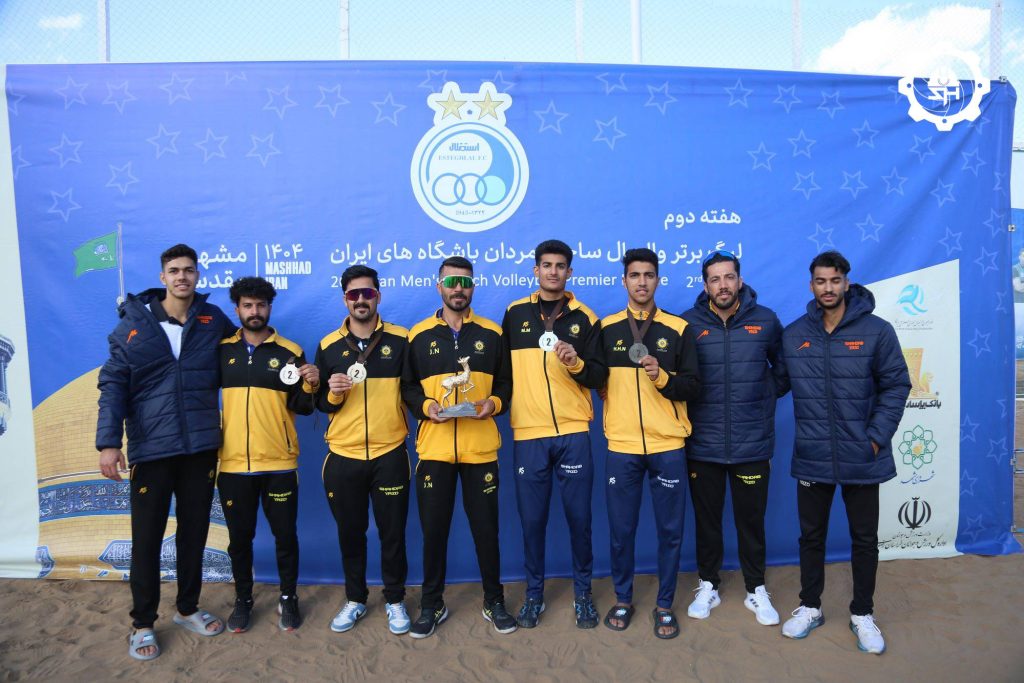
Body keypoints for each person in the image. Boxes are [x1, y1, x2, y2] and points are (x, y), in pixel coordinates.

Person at [96, 243, 233, 661]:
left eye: (189, 270)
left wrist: (292, 368)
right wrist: (108, 443)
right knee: (147, 540)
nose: (182, 277)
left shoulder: (212, 320)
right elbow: (113, 385)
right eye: (174, 270)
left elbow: (246, 354)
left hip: (199, 448)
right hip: (152, 451)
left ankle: (187, 609)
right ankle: (142, 623)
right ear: (162, 277)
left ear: (197, 275)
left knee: (194, 533)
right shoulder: (133, 326)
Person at [778, 250, 910, 655]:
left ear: (846, 283)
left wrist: (875, 437)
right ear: (811, 285)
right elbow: (773, 383)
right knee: (811, 537)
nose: (828, 288)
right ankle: (810, 606)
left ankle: (862, 613)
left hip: (862, 455)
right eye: (821, 281)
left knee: (864, 539)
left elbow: (897, 385)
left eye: (835, 280)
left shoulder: (877, 331)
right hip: (813, 454)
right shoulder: (794, 334)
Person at [401, 256, 516, 638]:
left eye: (465, 282)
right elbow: (408, 387)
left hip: (480, 450)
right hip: (434, 451)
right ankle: (432, 604)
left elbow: (506, 385)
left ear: (473, 287)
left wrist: (493, 404)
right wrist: (425, 407)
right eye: (451, 282)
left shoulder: (492, 333)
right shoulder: (418, 335)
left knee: (486, 531)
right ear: (439, 287)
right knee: (434, 533)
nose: (458, 289)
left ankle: (494, 600)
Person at [501, 239, 606, 629]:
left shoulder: (585, 317)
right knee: (532, 522)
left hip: (573, 432)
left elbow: (599, 376)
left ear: (569, 272)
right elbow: (503, 373)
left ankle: (583, 595)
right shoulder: (514, 313)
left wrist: (576, 363)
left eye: (560, 266)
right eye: (546, 265)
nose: (553, 272)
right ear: (536, 270)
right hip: (529, 434)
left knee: (580, 520)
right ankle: (534, 596)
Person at [599, 248, 700, 640]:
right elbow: (592, 376)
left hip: (667, 445)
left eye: (648, 275)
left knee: (670, 531)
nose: (642, 282)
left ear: (658, 280)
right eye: (635, 275)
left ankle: (664, 605)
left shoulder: (678, 328)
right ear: (624, 280)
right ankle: (623, 598)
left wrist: (662, 378)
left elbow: (693, 386)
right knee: (620, 531)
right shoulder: (606, 328)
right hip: (622, 445)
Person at [680, 250, 786, 626]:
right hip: (703, 443)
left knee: (751, 522)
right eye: (715, 279)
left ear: (739, 281)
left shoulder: (766, 320)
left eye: (728, 277)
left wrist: (762, 397)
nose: (722, 285)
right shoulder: (688, 324)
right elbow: (680, 378)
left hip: (751, 442)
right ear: (705, 285)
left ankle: (755, 588)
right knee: (707, 522)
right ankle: (708, 584)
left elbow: (784, 369)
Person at [315, 265, 413, 636]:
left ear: (378, 296)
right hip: (344, 455)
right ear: (345, 299)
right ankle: (355, 598)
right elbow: (320, 404)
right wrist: (333, 393)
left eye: (367, 293)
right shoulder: (328, 345)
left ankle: (395, 600)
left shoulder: (401, 339)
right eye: (353, 294)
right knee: (350, 534)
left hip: (390, 453)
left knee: (393, 534)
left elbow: (413, 389)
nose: (361, 300)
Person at [217, 276, 319, 633]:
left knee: (285, 537)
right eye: (247, 305)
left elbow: (303, 407)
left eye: (260, 305)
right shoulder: (222, 350)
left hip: (278, 463)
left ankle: (288, 597)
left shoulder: (290, 351)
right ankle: (243, 600)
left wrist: (312, 383)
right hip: (233, 464)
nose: (254, 311)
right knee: (239, 541)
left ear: (269, 308)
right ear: (237, 309)